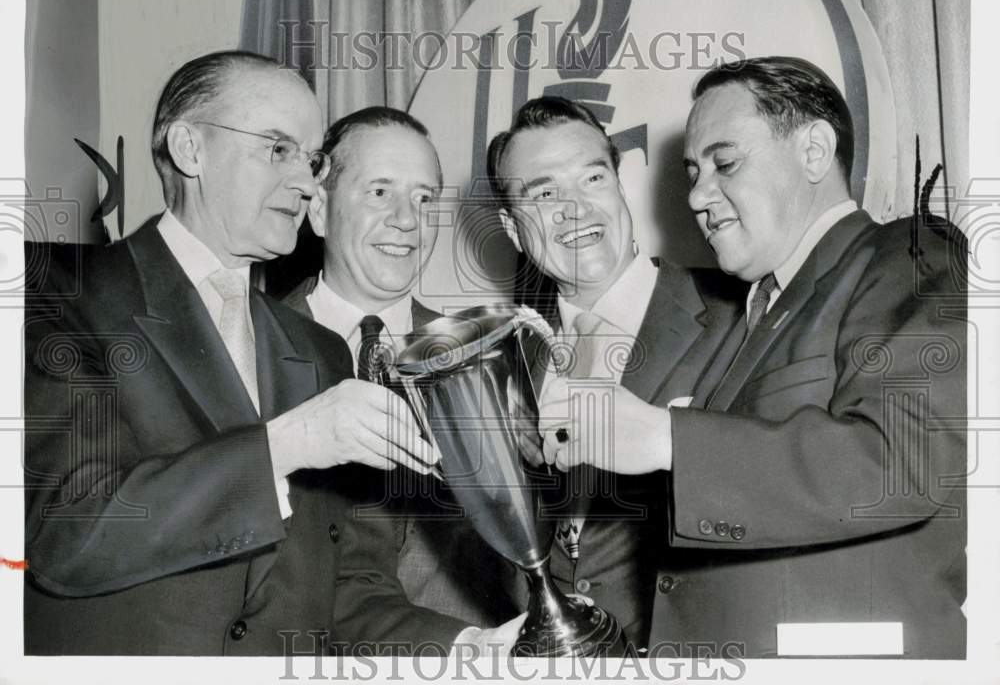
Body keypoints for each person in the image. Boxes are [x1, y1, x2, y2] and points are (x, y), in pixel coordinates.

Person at [23, 50, 519, 656]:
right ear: (190, 149)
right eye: (277, 149)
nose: (308, 182)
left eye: (311, 160)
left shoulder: (318, 352)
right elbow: (63, 533)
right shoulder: (52, 290)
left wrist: (471, 647)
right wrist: (284, 445)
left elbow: (343, 590)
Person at [538, 56, 967, 658]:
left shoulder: (909, 255)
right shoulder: (751, 314)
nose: (697, 195)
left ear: (815, 151)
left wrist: (669, 439)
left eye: (725, 162)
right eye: (692, 171)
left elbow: (906, 460)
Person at [486, 96, 743, 648]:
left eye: (593, 178)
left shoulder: (737, 314)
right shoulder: (503, 366)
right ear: (511, 228)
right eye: (546, 193)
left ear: (619, 185)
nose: (576, 208)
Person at [283, 106, 517, 626]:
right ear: (319, 210)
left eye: (424, 198)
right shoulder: (246, 344)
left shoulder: (486, 355)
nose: (408, 220)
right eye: (380, 191)